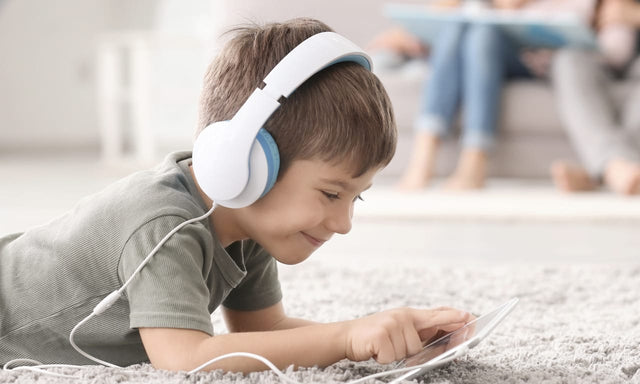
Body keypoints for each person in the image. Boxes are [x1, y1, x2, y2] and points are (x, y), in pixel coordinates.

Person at [0, 18, 471, 373]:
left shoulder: (246, 222)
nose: (344, 222)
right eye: (331, 193)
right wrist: (346, 337)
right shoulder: (164, 223)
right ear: (245, 163)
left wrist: (386, 333)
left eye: (356, 198)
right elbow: (183, 358)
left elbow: (263, 335)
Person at [392, 0, 594, 190]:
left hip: (535, 58)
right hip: (480, 46)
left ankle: (475, 159)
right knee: (458, 25)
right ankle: (424, 154)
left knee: (484, 34)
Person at [550, 0, 640, 195]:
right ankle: (614, 170)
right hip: (592, 56)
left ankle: (601, 172)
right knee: (567, 60)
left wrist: (634, 15)